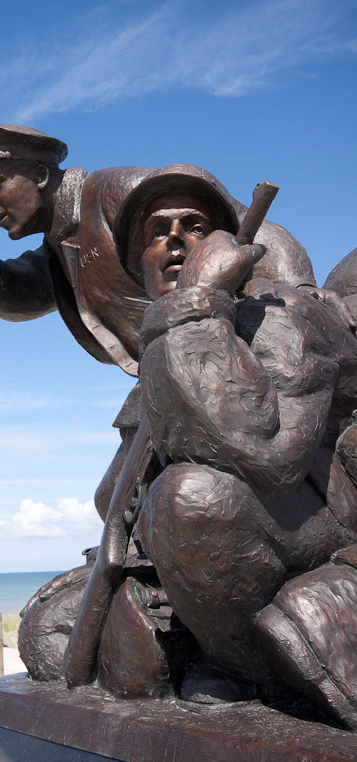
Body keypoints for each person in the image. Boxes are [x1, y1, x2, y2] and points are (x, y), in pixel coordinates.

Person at [108, 164, 357, 728]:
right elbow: (113, 500)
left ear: (231, 248)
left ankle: (255, 673)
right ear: (138, 266)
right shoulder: (162, 346)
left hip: (310, 524)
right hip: (213, 555)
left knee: (191, 499)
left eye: (193, 227)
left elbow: (270, 456)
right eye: (155, 232)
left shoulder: (286, 319)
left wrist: (198, 300)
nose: (173, 241)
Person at [0, 120, 319, 386]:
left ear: (38, 175)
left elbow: (260, 229)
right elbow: (21, 291)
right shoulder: (58, 249)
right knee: (112, 500)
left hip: (239, 356)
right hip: (175, 376)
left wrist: (303, 297)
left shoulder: (114, 192)